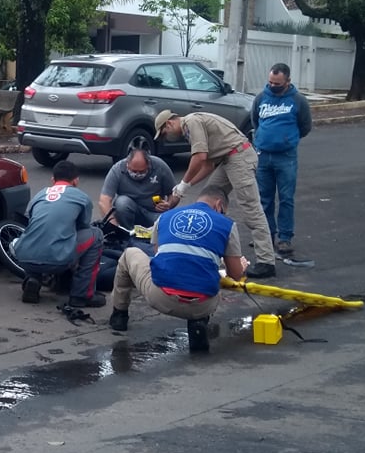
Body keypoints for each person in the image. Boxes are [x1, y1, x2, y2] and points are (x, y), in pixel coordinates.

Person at [106, 186, 248, 352]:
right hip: (204, 304)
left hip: (161, 298)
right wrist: (241, 266)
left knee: (129, 254)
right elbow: (235, 275)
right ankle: (198, 323)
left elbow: (158, 255)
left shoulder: (166, 216)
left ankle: (119, 315)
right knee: (205, 276)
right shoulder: (227, 224)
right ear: (219, 205)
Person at [154, 109, 276, 278]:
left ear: (169, 123)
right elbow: (208, 165)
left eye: (164, 133)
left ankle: (266, 262)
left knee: (250, 207)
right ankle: (210, 247)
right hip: (228, 158)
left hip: (239, 156)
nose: (166, 138)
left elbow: (200, 157)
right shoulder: (190, 129)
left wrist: (182, 185)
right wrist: (183, 188)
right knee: (208, 198)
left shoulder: (191, 122)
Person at [12, 160, 105, 309]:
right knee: (96, 235)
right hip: (58, 260)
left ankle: (33, 278)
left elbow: (31, 222)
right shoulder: (81, 197)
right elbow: (83, 226)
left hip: (24, 257)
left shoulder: (39, 195)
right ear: (76, 180)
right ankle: (81, 295)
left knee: (36, 237)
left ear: (53, 180)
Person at [251, 63, 312, 256]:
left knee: (286, 198)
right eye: (270, 82)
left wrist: (288, 140)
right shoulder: (261, 98)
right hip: (263, 156)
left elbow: (305, 126)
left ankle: (285, 238)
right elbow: (255, 121)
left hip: (286, 157)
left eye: (277, 83)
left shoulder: (298, 100)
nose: (272, 85)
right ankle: (266, 236)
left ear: (287, 81)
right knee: (264, 199)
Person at [99, 148, 176, 229]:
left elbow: (175, 193)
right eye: (134, 171)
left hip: (154, 213)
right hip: (128, 211)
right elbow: (104, 200)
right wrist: (114, 226)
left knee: (170, 223)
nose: (137, 174)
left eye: (141, 171)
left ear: (149, 165)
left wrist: (168, 204)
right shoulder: (117, 169)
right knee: (121, 202)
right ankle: (127, 232)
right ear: (127, 164)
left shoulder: (160, 166)